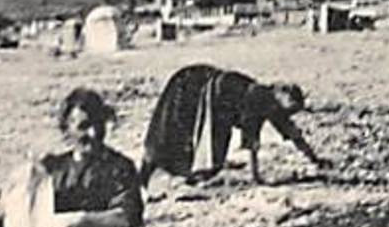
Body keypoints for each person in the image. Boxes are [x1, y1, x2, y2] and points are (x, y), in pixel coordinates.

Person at [140, 63, 330, 188]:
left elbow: (292, 133)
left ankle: (178, 175)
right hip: (194, 86)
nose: (291, 114)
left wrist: (315, 159)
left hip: (213, 94)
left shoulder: (274, 105)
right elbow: (252, 140)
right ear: (281, 95)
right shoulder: (259, 98)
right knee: (170, 131)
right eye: (292, 108)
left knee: (200, 144)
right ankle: (147, 175)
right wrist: (257, 178)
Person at [36, 88, 145, 227]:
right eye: (84, 126)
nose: (93, 134)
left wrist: (81, 220)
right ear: (67, 130)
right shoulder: (53, 169)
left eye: (98, 124)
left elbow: (127, 217)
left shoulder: (118, 167)